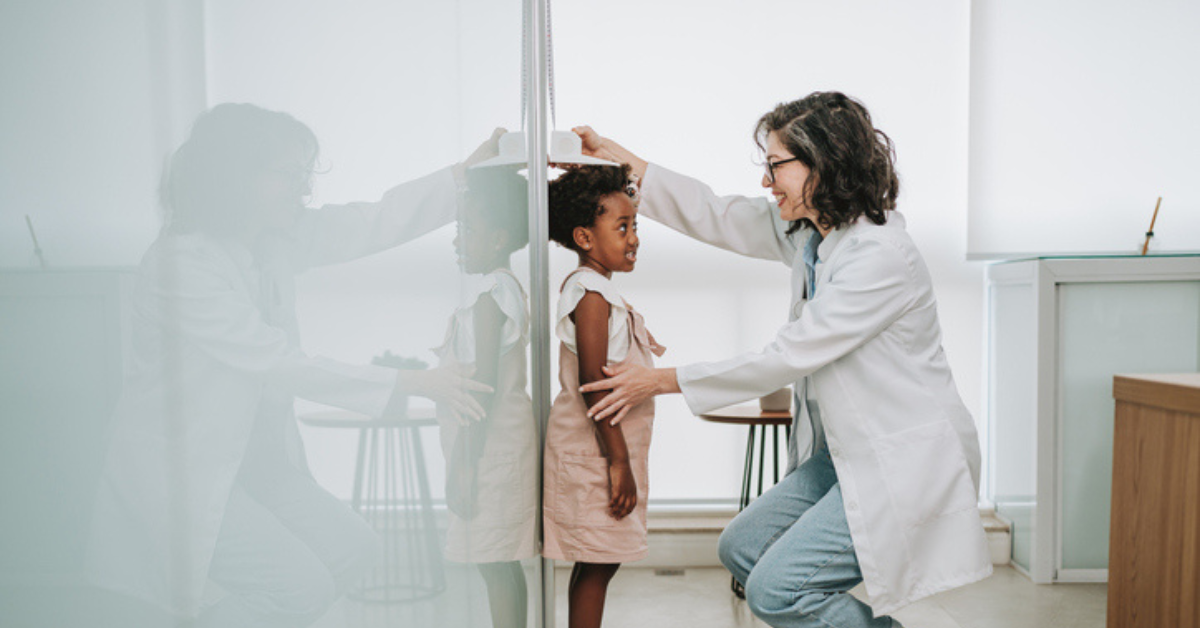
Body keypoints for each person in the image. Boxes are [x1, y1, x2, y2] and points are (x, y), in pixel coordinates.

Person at [572, 92, 992, 627]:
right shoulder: (811, 233)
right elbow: (713, 213)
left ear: (825, 162)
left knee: (776, 591)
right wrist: (613, 157)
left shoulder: (881, 257)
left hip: (904, 459)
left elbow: (788, 355)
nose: (766, 182)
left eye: (776, 166)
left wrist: (657, 380)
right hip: (845, 455)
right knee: (742, 548)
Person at [84, 103, 503, 627]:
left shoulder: (274, 238)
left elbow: (373, 221)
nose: (304, 190)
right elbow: (276, 361)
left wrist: (464, 175)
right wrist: (413, 382)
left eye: (306, 175)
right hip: (184, 477)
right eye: (289, 174)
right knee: (298, 589)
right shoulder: (181, 264)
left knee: (353, 549)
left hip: (257, 465)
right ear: (236, 175)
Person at [541, 164, 665, 628]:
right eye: (622, 227)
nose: (633, 238)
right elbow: (595, 383)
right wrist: (618, 462)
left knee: (596, 562)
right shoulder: (590, 294)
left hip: (604, 449)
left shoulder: (597, 289)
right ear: (584, 237)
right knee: (596, 563)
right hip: (597, 453)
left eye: (636, 226)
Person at [435, 167, 536, 628]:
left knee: (495, 562)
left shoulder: (490, 296)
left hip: (490, 450)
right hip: (496, 446)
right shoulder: (500, 290)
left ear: (497, 238)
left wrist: (465, 461)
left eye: (467, 229)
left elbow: (484, 386)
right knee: (500, 561)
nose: (458, 240)